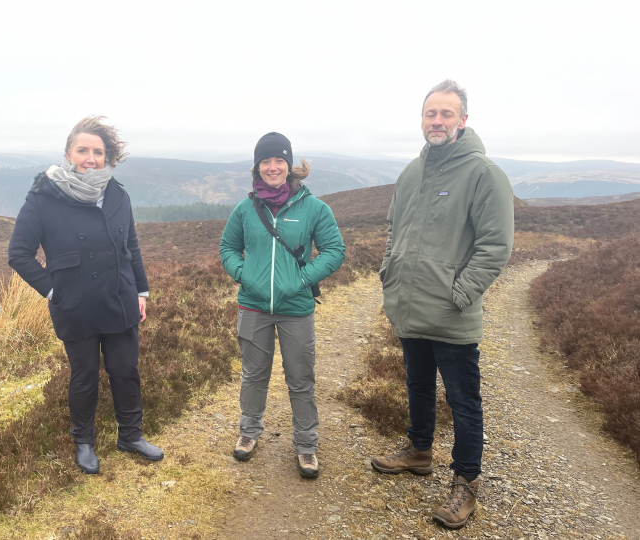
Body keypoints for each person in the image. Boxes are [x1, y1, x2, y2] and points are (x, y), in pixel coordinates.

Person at [372, 80, 514, 528]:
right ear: (421, 120)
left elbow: (496, 246)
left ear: (463, 120)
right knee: (417, 384)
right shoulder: (412, 172)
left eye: (446, 114)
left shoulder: (483, 173)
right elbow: (394, 228)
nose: (437, 121)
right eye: (430, 113)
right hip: (409, 306)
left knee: (463, 400)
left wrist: (460, 293)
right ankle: (419, 451)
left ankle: (466, 483)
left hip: (451, 312)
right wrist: (389, 271)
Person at [8, 116, 163, 475]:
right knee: (85, 375)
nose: (91, 159)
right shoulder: (44, 198)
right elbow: (18, 253)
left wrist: (140, 291)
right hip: (74, 304)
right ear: (68, 154)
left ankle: (131, 435)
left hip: (120, 297)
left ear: (107, 157)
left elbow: (131, 246)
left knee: (125, 370)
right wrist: (52, 290)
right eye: (83, 151)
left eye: (98, 152)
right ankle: (84, 442)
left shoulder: (117, 194)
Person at [220, 132, 346, 478]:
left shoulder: (315, 208)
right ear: (257, 167)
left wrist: (302, 279)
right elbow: (228, 247)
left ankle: (306, 446)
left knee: (301, 379)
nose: (273, 167)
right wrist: (244, 274)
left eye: (279, 160)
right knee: (253, 375)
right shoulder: (245, 209)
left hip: (296, 309)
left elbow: (335, 250)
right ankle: (248, 432)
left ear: (290, 166)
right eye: (266, 161)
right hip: (253, 306)